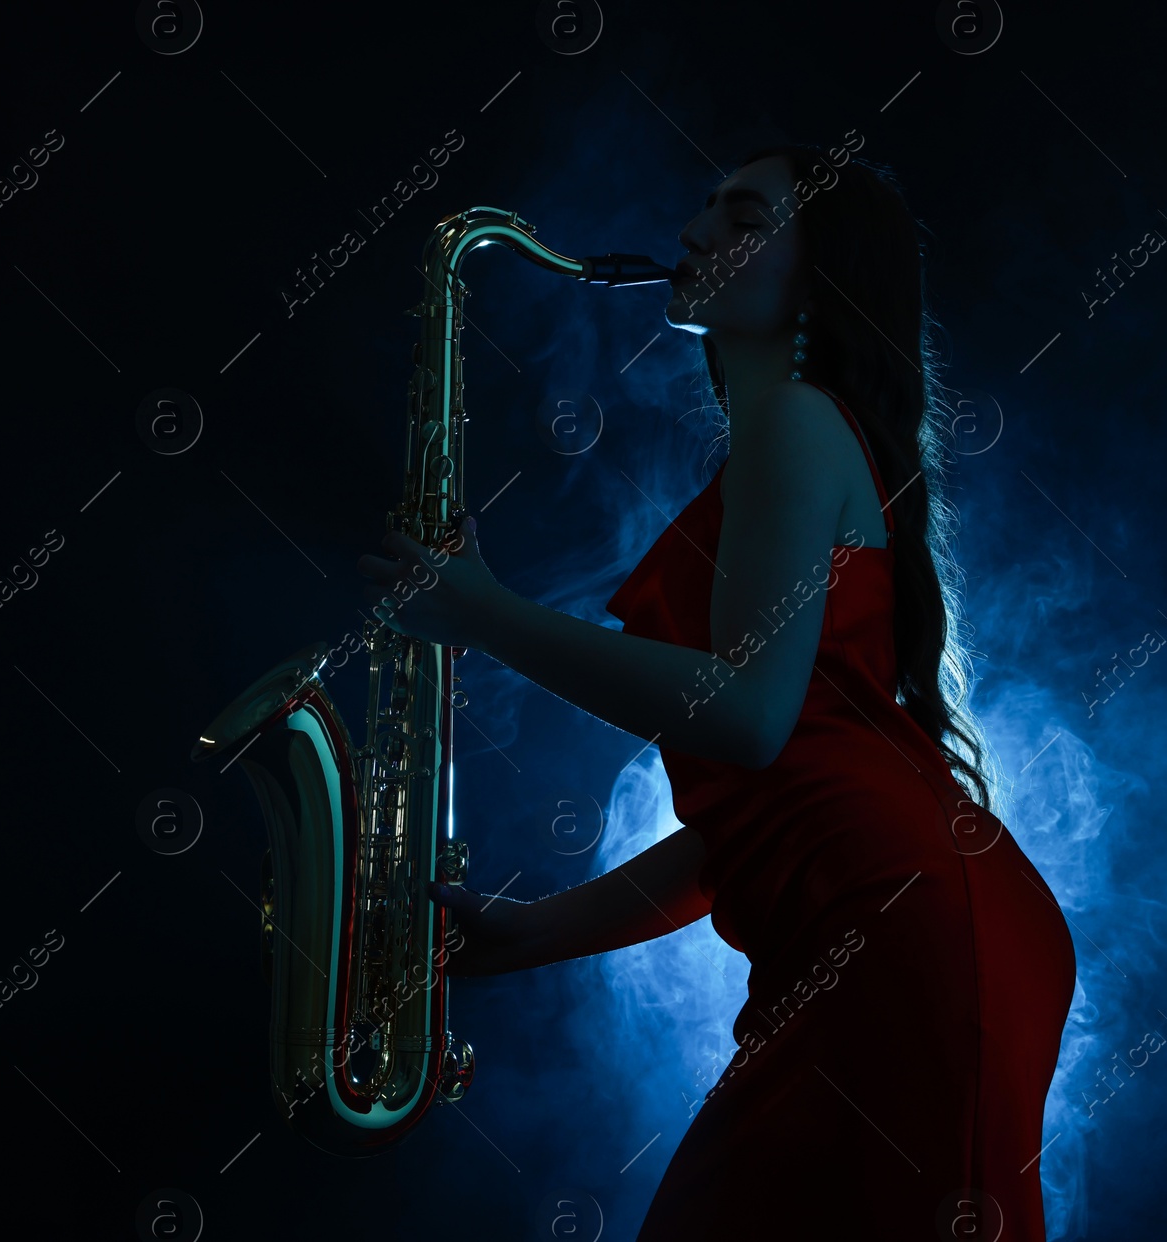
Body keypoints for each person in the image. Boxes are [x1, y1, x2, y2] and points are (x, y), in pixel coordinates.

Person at [356, 143, 1076, 1240]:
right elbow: (769, 800)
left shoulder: (795, 421)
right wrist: (533, 931)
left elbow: (741, 719)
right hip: (915, 924)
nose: (692, 233)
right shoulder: (787, 437)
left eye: (741, 217)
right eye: (703, 207)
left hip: (909, 932)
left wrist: (481, 614)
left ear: (818, 273)